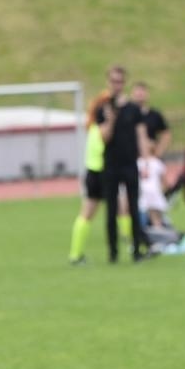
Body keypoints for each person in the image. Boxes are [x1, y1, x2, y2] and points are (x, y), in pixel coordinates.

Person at [95, 65, 152, 263]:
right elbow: (104, 137)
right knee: (111, 210)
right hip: (111, 165)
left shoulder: (133, 109)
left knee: (133, 207)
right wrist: (111, 119)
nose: (116, 85)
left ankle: (136, 250)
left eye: (119, 82)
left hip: (130, 164)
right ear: (108, 82)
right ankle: (113, 253)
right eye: (113, 81)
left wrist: (146, 162)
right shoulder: (103, 108)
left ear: (124, 83)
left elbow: (141, 136)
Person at [68, 89, 111, 266]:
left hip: (92, 173)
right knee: (121, 209)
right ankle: (134, 246)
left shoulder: (92, 127)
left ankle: (75, 253)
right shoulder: (101, 128)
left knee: (87, 214)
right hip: (100, 173)